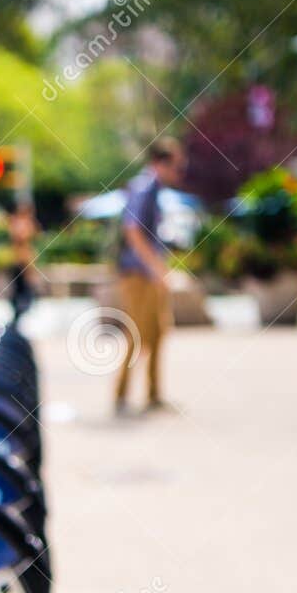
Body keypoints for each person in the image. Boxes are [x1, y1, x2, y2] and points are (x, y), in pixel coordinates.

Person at [114, 137, 185, 414]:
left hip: (147, 273)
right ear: (161, 163)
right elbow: (132, 231)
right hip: (137, 274)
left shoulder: (154, 190)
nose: (178, 172)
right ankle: (121, 393)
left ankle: (153, 394)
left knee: (158, 330)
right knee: (137, 333)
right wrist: (156, 268)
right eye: (176, 166)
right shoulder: (144, 188)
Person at [7, 203, 41, 323]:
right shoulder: (21, 223)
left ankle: (22, 308)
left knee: (24, 287)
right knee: (20, 287)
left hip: (24, 259)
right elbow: (21, 236)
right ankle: (20, 309)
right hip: (21, 260)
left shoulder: (22, 222)